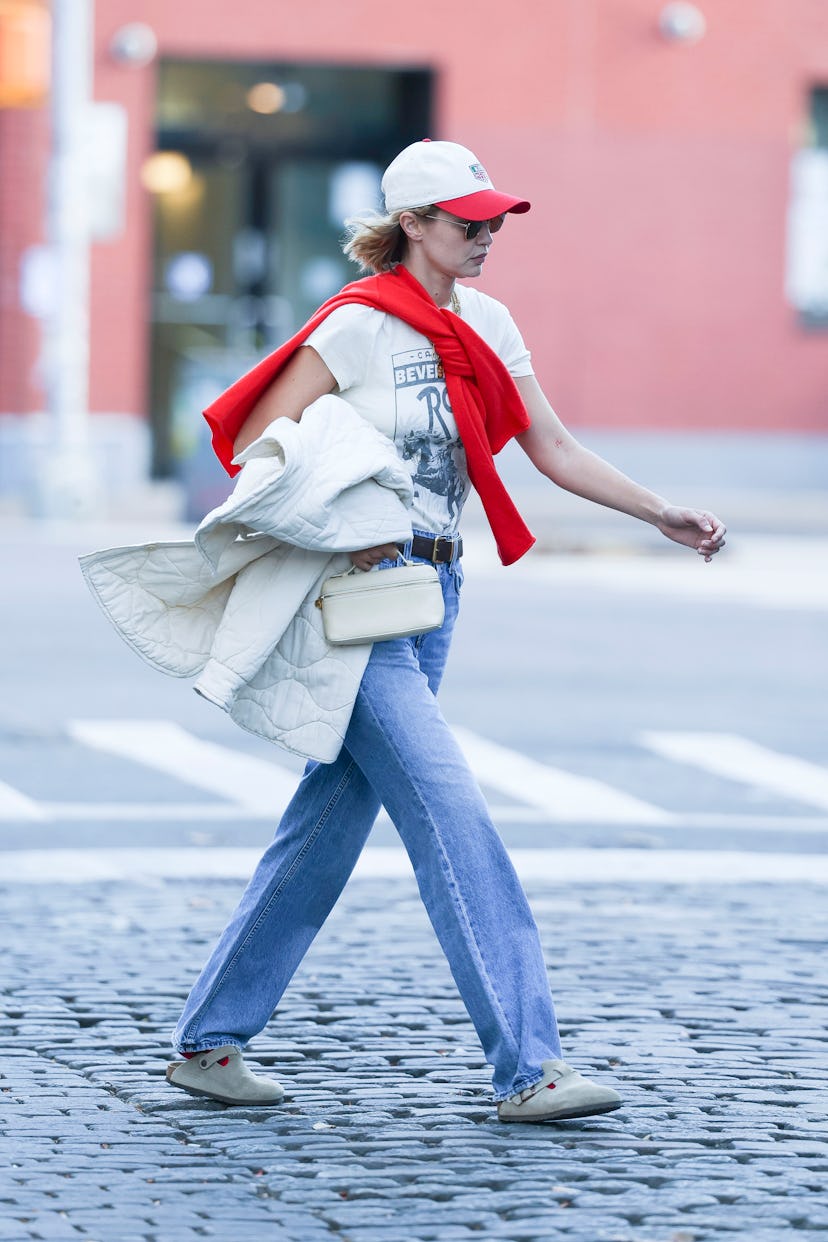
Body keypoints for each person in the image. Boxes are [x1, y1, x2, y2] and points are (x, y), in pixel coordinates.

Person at [165, 139, 725, 1122]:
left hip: (434, 597)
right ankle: (529, 1067)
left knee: (325, 826)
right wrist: (350, 497)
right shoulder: (355, 329)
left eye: (495, 221)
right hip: (357, 594)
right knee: (452, 815)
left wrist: (659, 512)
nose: (488, 237)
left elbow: (548, 444)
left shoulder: (490, 323)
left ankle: (210, 1044)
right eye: (469, 223)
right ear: (413, 226)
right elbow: (263, 449)